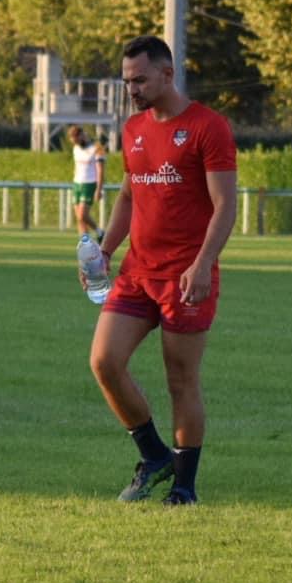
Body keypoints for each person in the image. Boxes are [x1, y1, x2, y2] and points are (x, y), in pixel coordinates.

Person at [89, 35, 237, 506]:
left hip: (186, 276)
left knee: (180, 379)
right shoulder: (134, 128)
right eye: (126, 81)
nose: (131, 89)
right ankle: (154, 455)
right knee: (104, 361)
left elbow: (225, 205)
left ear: (167, 74)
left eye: (139, 80)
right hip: (137, 272)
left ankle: (184, 487)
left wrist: (203, 263)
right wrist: (106, 250)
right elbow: (128, 195)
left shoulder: (208, 127)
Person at [69, 125, 106, 235]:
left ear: (81, 135)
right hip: (77, 183)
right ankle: (85, 242)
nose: (75, 143)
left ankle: (100, 232)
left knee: (82, 215)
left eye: (76, 140)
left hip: (89, 184)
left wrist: (99, 189)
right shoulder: (76, 148)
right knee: (79, 218)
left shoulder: (97, 148)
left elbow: (100, 170)